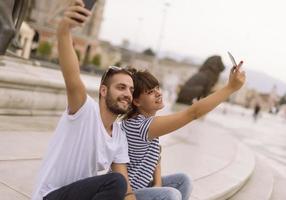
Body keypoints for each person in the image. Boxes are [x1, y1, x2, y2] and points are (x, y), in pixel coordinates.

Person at [32, 1, 136, 200]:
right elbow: (72, 76)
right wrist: (64, 31)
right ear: (103, 91)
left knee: (165, 193)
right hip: (50, 196)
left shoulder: (119, 136)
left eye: (131, 90)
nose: (127, 94)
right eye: (121, 87)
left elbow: (128, 192)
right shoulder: (85, 111)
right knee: (115, 182)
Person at [121, 63, 246, 200]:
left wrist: (157, 183)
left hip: (142, 187)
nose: (158, 93)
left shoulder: (148, 124)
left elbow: (156, 156)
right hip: (126, 195)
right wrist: (230, 88)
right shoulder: (140, 126)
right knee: (171, 195)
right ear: (137, 102)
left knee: (183, 181)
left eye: (157, 88)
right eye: (150, 92)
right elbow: (193, 113)